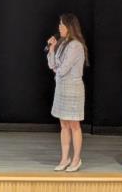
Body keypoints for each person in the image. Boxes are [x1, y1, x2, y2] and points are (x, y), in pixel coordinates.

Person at [46, 13, 89, 172]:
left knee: (74, 124)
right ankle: (65, 158)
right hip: (61, 87)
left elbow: (62, 69)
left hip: (73, 88)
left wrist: (57, 69)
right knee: (64, 124)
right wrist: (52, 49)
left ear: (69, 27)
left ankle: (76, 159)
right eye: (59, 24)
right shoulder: (63, 43)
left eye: (62, 25)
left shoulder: (76, 46)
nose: (59, 27)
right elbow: (52, 65)